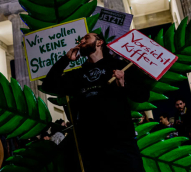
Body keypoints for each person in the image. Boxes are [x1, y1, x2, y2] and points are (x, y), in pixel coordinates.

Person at [43, 32, 149, 172]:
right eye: (81, 39)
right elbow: (48, 85)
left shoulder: (119, 66)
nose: (82, 40)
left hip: (121, 141)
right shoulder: (77, 75)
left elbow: (143, 95)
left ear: (99, 42)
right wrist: (65, 60)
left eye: (86, 37)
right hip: (92, 146)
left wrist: (124, 84)